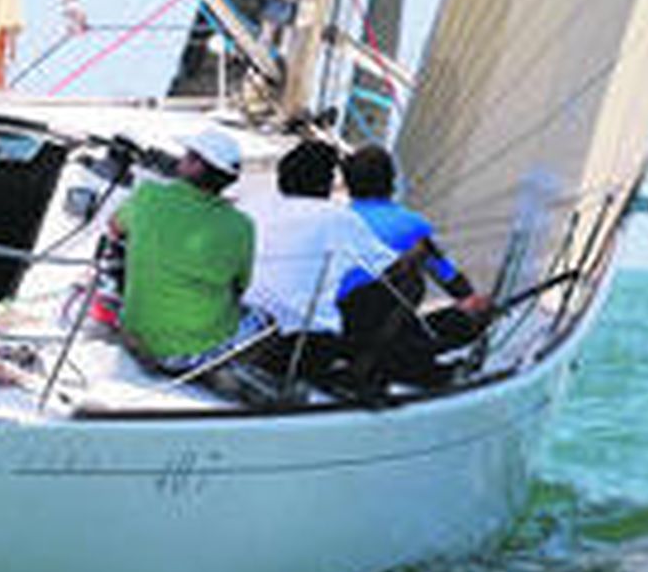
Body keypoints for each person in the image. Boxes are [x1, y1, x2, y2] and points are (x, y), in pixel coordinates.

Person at [337, 144, 492, 389]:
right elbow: (451, 282)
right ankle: (407, 369)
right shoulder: (412, 225)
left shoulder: (335, 221)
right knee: (477, 309)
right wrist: (474, 302)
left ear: (348, 185)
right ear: (392, 182)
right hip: (381, 335)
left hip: (337, 333)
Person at [240, 139, 396, 377]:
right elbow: (390, 267)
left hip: (243, 332)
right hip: (303, 346)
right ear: (326, 182)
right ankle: (360, 373)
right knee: (404, 281)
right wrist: (420, 253)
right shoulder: (337, 217)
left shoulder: (250, 207)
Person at [109, 128, 256, 374]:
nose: (181, 159)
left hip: (137, 332)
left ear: (197, 166)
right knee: (268, 320)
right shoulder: (242, 225)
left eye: (187, 155)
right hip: (192, 351)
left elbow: (114, 228)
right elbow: (241, 285)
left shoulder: (148, 195)